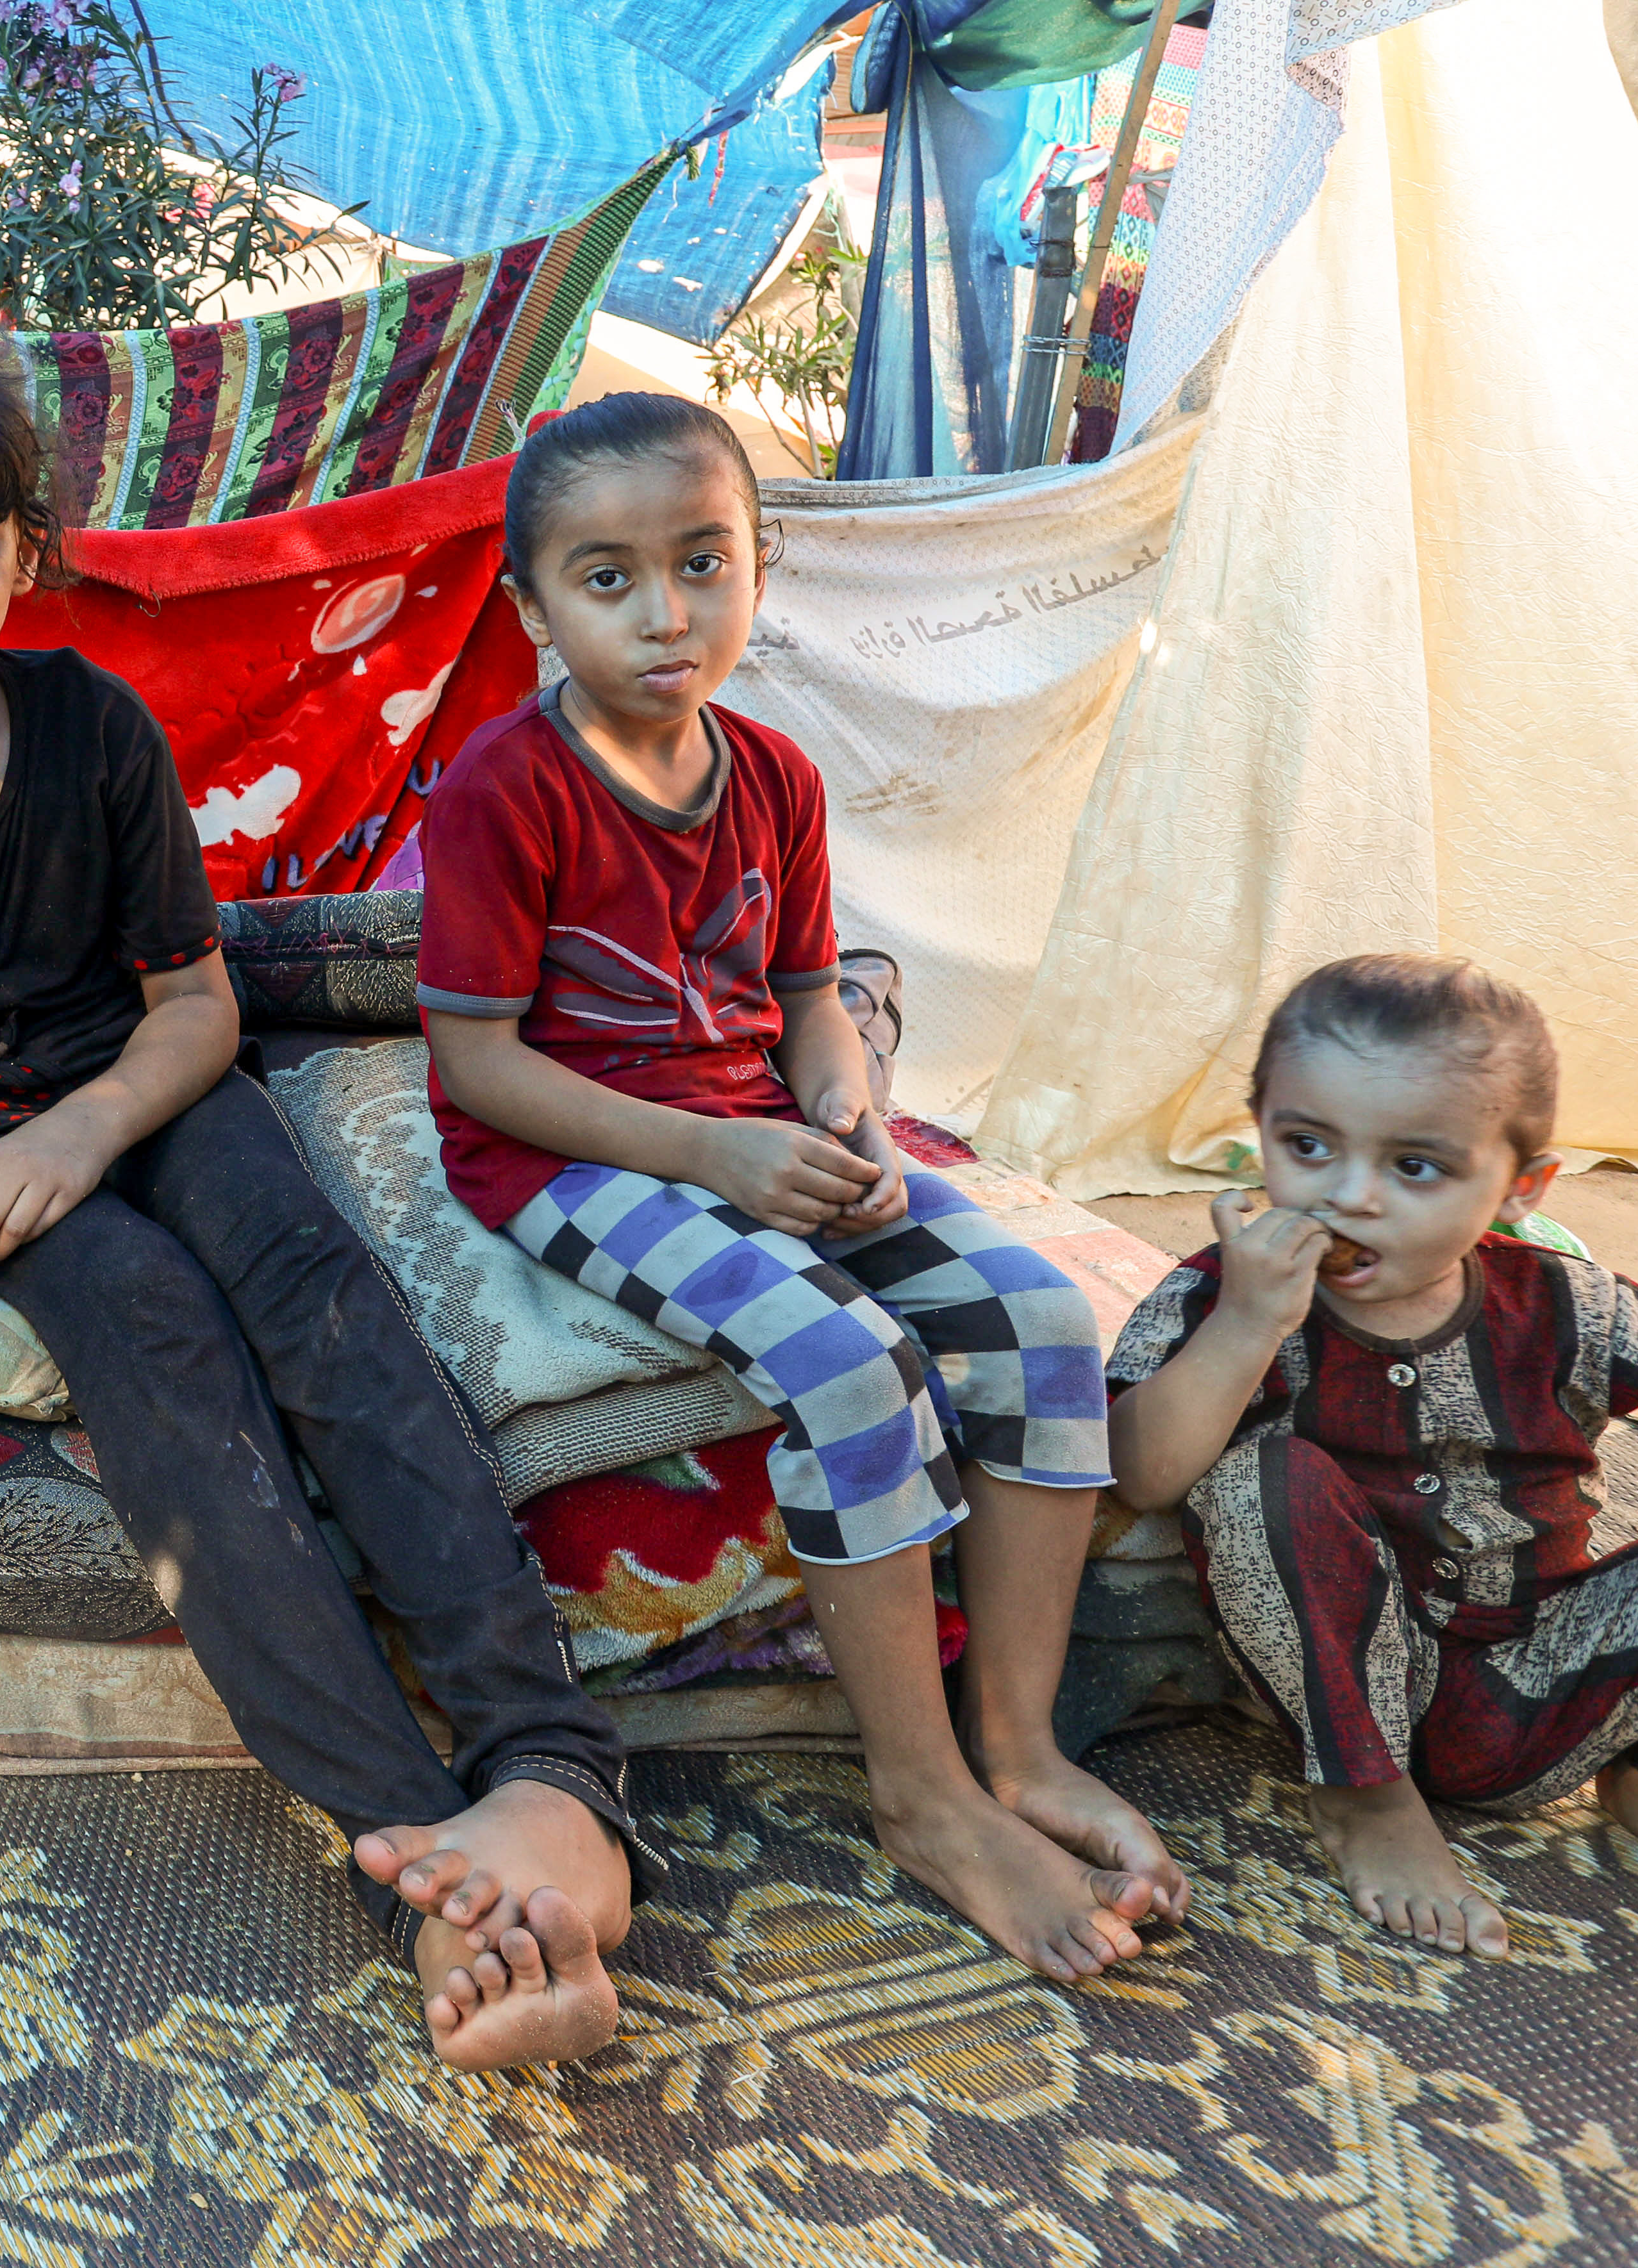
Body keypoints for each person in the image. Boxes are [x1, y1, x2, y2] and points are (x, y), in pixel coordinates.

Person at [0, 339, 663, 2070]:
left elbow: (196, 1005)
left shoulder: (91, 725)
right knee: (149, 1327)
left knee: (307, 1278)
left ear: (23, 546)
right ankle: (418, 1863)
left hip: (137, 1092)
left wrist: (80, 1133)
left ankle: (548, 1764)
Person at [418, 390, 1186, 1985]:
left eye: (702, 563)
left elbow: (806, 995)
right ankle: (920, 1795)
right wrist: (714, 1152)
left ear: (760, 565)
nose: (664, 612)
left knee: (1036, 1315)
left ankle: (1020, 1744)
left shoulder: (772, 776)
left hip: (754, 1122)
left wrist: (851, 1108)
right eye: (606, 577)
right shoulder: (504, 788)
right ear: (531, 606)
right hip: (571, 1152)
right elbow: (479, 1066)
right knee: (846, 1359)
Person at [1105, 954, 1638, 1955]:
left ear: (1519, 1188)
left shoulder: (1573, 1304)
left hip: (1547, 1673)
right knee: (1256, 1480)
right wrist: (1246, 1324)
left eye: (1416, 1166)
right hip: (1336, 1686)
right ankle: (1366, 1799)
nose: (1350, 1196)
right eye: (1308, 1145)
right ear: (1259, 1135)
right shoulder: (1218, 1292)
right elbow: (1140, 1473)